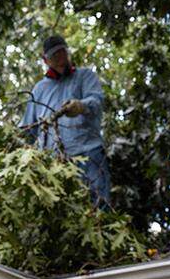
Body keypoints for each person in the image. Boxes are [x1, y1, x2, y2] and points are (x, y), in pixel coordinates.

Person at [20, 33, 111, 209]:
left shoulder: (85, 76)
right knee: (62, 210)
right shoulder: (39, 89)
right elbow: (28, 128)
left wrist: (81, 106)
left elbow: (97, 101)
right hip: (54, 161)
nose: (60, 58)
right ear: (46, 60)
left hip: (88, 152)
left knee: (98, 204)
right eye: (55, 55)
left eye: (63, 52)